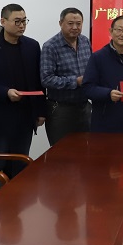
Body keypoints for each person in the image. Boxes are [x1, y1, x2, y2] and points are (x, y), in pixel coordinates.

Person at [0, 4, 47, 176]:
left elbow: (38, 82)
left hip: (26, 115)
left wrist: (41, 111)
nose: (22, 25)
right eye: (17, 21)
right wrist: (5, 92)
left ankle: (17, 193)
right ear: (3, 21)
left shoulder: (32, 46)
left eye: (24, 21)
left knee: (20, 162)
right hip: (0, 115)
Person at [41, 8, 92, 145]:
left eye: (78, 23)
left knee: (86, 150)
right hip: (61, 110)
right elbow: (46, 79)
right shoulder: (50, 46)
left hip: (84, 107)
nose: (75, 27)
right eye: (70, 23)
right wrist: (75, 81)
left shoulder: (85, 42)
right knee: (61, 152)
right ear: (60, 23)